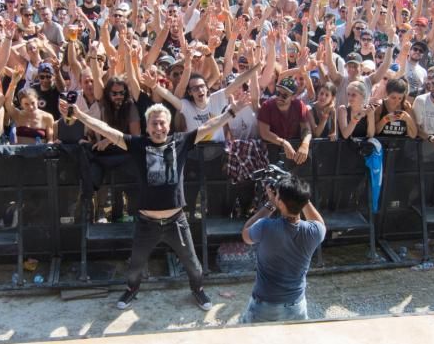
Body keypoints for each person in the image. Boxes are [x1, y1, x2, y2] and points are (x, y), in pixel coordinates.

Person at [60, 100, 235, 312]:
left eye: (162, 123)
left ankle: (197, 290)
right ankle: (131, 289)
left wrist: (232, 111)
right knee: (135, 264)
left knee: (192, 264)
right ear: (147, 126)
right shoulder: (138, 145)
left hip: (176, 222)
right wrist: (79, 115)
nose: (158, 128)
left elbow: (209, 126)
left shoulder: (181, 141)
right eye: (154, 123)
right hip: (147, 223)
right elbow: (106, 129)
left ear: (168, 125)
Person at [240, 175, 326, 323]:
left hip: (265, 306)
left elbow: (246, 234)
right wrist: (300, 195)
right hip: (296, 305)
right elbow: (319, 222)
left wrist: (270, 205)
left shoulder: (265, 227)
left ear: (280, 202)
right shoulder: (315, 232)